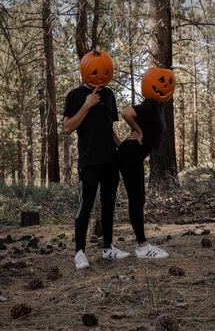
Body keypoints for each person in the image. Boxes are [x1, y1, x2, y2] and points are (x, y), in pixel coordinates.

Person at [64, 50, 130, 270]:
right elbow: (67, 127)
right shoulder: (74, 96)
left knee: (109, 205)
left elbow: (109, 128)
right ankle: (79, 252)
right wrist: (87, 104)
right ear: (85, 71)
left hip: (110, 161)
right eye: (95, 72)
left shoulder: (109, 94)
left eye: (105, 72)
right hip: (89, 161)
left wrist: (123, 147)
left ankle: (109, 247)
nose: (100, 75)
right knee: (85, 207)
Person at [117, 67, 176, 259]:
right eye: (161, 82)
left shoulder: (159, 105)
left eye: (168, 83)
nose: (165, 86)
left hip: (133, 155)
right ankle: (142, 247)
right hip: (129, 156)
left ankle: (142, 245)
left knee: (139, 199)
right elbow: (126, 113)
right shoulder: (150, 104)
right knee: (137, 199)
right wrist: (138, 131)